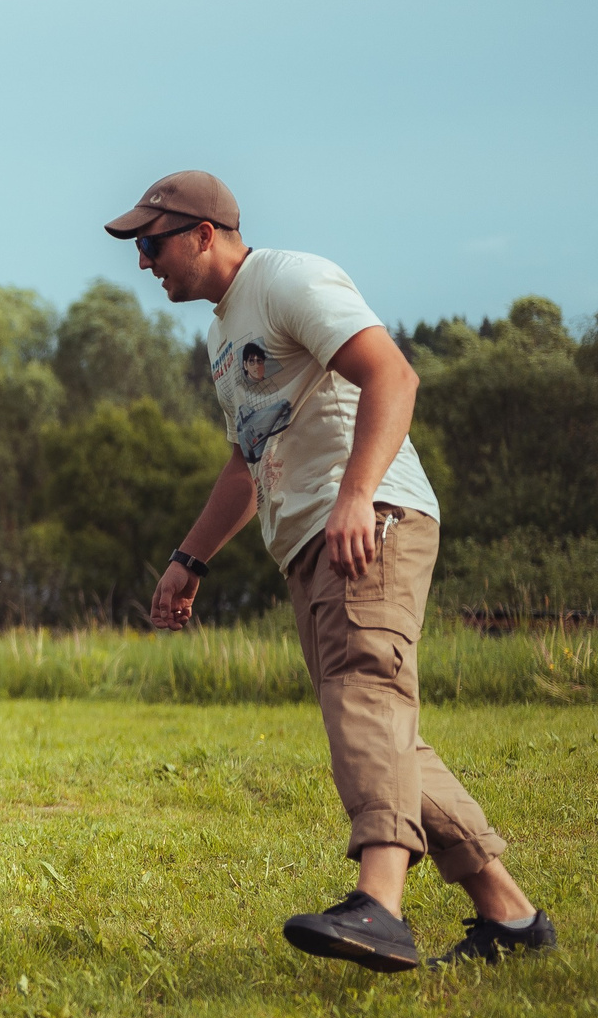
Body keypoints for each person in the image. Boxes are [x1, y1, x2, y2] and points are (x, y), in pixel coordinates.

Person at [113, 170, 555, 971]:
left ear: (204, 234)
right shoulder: (222, 337)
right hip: (308, 542)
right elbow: (247, 465)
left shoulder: (289, 279)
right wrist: (188, 558)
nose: (144, 262)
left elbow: (393, 374)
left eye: (151, 243)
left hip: (366, 520)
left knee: (364, 694)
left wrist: (357, 495)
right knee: (379, 726)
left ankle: (381, 904)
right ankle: (511, 916)